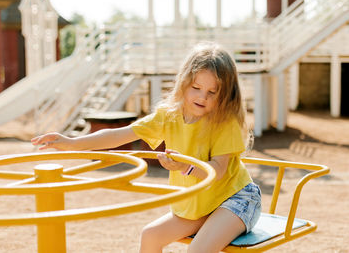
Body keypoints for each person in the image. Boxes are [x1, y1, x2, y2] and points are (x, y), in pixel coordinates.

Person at [31, 42, 261, 253]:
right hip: (200, 202)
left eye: (212, 92)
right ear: (183, 83)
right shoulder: (168, 117)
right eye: (196, 87)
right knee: (150, 236)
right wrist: (72, 142)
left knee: (196, 252)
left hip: (236, 199)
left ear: (226, 95)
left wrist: (185, 166)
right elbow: (119, 135)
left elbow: (217, 171)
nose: (202, 97)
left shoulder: (224, 121)